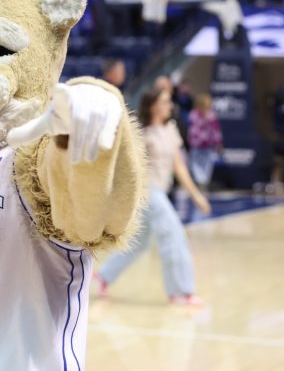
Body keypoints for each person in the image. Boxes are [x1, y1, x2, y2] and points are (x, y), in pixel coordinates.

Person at [95, 87, 210, 305]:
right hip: (149, 193)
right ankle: (181, 292)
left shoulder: (171, 129)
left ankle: (104, 276)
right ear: (153, 105)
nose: (170, 106)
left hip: (161, 191)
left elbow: (179, 167)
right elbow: (127, 168)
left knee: (140, 243)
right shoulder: (142, 134)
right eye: (165, 101)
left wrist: (196, 195)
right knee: (174, 235)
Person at [187, 93, 223, 188]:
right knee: (194, 163)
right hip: (196, 145)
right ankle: (199, 181)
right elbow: (192, 131)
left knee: (207, 164)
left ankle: (204, 182)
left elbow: (216, 131)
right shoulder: (193, 115)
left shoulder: (212, 116)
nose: (207, 109)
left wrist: (218, 143)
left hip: (208, 145)